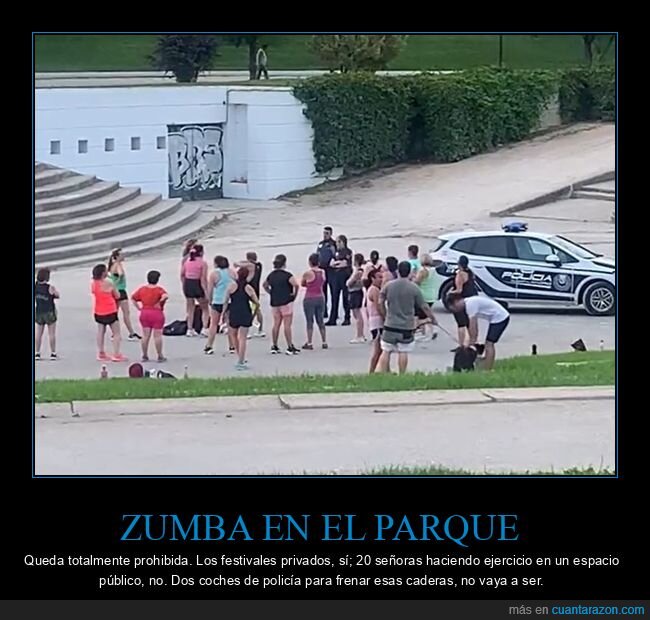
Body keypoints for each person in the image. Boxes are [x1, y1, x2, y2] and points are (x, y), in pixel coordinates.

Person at [377, 261, 436, 374]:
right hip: (406, 326)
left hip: (390, 324)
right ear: (409, 272)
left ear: (398, 271)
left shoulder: (388, 285)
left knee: (386, 350)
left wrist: (384, 314)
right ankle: (402, 374)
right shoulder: (414, 288)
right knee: (403, 351)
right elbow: (424, 306)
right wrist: (432, 318)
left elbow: (380, 302)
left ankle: (383, 373)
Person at [447, 293, 510, 371]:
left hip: (500, 318)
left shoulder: (470, 305)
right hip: (495, 318)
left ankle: (488, 369)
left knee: (489, 344)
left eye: (455, 308)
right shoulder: (469, 303)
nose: (456, 310)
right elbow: (471, 327)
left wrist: (472, 342)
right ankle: (484, 363)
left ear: (456, 301)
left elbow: (473, 326)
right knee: (487, 344)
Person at [224, 266, 260, 370]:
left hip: (234, 312)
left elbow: (226, 301)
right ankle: (241, 360)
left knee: (233, 335)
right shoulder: (248, 288)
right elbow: (256, 302)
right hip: (245, 312)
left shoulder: (231, 286)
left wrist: (224, 313)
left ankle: (239, 355)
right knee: (243, 337)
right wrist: (254, 314)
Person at [264, 254, 300, 355]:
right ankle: (289, 346)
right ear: (284, 263)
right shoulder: (287, 275)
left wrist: (270, 292)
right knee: (287, 325)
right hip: (286, 301)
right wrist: (294, 295)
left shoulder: (271, 275)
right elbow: (296, 284)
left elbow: (264, 285)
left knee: (276, 324)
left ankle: (274, 345)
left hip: (275, 302)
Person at [91, 263, 126, 362]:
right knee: (116, 333)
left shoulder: (93, 283)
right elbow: (117, 295)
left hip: (98, 310)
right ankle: (116, 354)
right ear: (103, 273)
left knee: (101, 331)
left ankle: (101, 352)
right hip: (110, 309)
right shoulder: (109, 282)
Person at [131, 270, 169, 363]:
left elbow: (133, 298)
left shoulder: (142, 289)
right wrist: (159, 302)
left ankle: (144, 355)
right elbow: (165, 296)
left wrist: (138, 308)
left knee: (145, 335)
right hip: (156, 313)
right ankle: (160, 355)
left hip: (145, 313)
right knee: (157, 336)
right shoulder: (159, 289)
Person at [204, 256, 236, 355]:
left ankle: (209, 345)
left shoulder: (214, 274)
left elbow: (210, 289)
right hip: (230, 300)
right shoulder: (232, 272)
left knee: (213, 324)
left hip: (217, 300)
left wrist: (209, 299)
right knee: (229, 323)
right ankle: (232, 346)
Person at [108, 248, 140, 341]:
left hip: (115, 291)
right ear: (117, 256)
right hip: (121, 290)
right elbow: (120, 274)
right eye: (121, 255)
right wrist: (118, 281)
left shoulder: (112, 265)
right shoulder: (118, 265)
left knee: (115, 312)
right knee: (126, 313)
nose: (123, 256)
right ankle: (131, 333)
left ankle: (115, 333)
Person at [450, 255, 479, 348]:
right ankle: (472, 342)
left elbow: (459, 290)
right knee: (470, 322)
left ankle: (461, 345)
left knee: (461, 323)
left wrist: (450, 293)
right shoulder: (470, 272)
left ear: (459, 264)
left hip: (462, 300)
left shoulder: (460, 274)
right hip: (473, 299)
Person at [180, 244, 209, 337]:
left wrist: (184, 284)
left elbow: (182, 274)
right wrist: (206, 291)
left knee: (190, 308)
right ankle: (204, 328)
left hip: (188, 284)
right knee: (204, 307)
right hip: (197, 284)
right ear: (201, 252)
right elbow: (203, 278)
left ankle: (189, 329)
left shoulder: (187, 261)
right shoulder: (203, 263)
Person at [301, 253, 328, 350]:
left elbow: (303, 283)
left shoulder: (308, 273)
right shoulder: (322, 272)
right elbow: (323, 281)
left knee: (309, 320)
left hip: (309, 297)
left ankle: (310, 342)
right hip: (320, 296)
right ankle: (324, 341)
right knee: (320, 320)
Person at [236, 251, 265, 338]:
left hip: (249, 290)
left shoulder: (250, 266)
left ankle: (247, 330)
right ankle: (260, 330)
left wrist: (243, 262)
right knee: (257, 309)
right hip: (256, 289)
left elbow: (236, 264)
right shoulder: (259, 265)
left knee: (249, 310)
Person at [326, 234, 352, 326]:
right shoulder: (335, 252)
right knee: (334, 298)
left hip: (344, 277)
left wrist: (337, 263)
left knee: (345, 298)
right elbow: (331, 263)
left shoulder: (347, 252)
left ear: (342, 242)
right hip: (335, 278)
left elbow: (345, 263)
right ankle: (333, 318)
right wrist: (337, 263)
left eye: (338, 242)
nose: (336, 244)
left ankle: (347, 318)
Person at [34, 268, 59, 360]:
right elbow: (57, 295)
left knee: (38, 333)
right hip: (49, 312)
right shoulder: (50, 287)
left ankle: (37, 353)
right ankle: (53, 353)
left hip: (39, 311)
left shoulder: (35, 287)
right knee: (51, 333)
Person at [414, 253, 438, 340]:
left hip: (422, 295)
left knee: (418, 316)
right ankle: (428, 331)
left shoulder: (423, 271)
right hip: (431, 295)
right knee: (424, 314)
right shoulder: (433, 270)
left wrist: (413, 278)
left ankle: (423, 329)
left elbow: (417, 282)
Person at [365, 268, 385, 373]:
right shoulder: (375, 290)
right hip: (377, 322)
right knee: (378, 350)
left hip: (374, 321)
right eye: (379, 277)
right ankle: (371, 371)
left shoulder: (370, 289)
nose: (381, 280)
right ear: (372, 278)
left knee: (382, 349)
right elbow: (378, 306)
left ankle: (385, 369)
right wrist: (385, 318)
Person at [316, 226, 337, 319]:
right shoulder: (320, 244)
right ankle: (324, 311)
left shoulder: (334, 244)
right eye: (324, 233)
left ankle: (334, 311)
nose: (325, 235)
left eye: (327, 233)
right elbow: (317, 254)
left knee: (333, 292)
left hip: (331, 271)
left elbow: (336, 255)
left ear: (331, 234)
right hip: (322, 270)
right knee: (322, 291)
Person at [346, 253, 366, 343]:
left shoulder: (358, 272)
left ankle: (360, 335)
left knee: (358, 314)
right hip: (354, 292)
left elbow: (350, 282)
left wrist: (348, 282)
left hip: (355, 292)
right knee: (355, 314)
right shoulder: (357, 270)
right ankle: (360, 334)